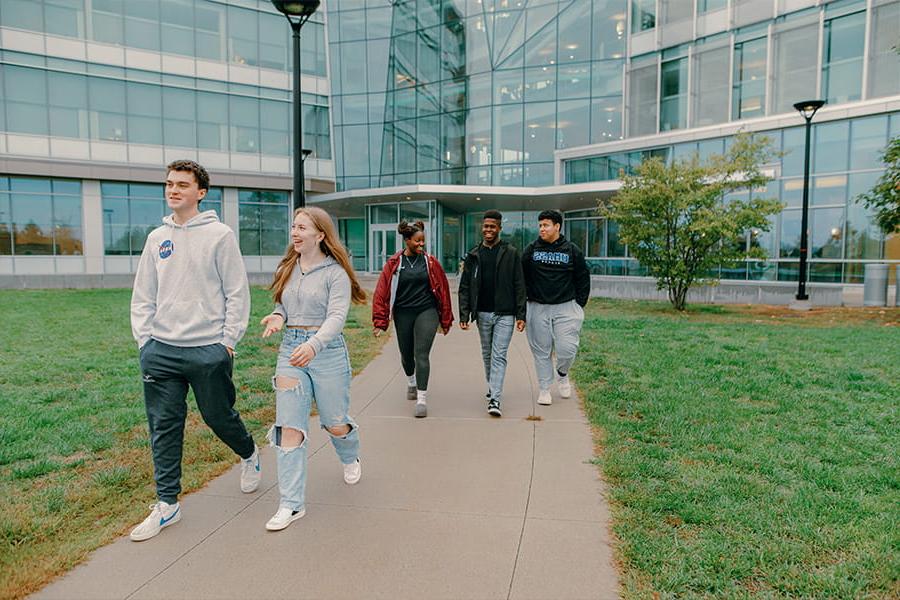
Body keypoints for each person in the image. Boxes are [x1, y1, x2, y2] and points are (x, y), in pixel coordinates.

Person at [130, 160, 259, 542]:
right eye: (169, 184)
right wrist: (145, 342)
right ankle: (167, 504)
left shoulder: (220, 235)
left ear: (200, 192)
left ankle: (250, 453)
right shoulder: (157, 238)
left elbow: (237, 292)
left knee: (218, 416)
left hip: (208, 350)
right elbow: (143, 294)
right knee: (164, 427)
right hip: (161, 351)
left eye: (182, 185)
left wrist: (228, 342)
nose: (173, 190)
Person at [259, 207, 368, 531]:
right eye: (293, 226)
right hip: (291, 350)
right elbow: (283, 304)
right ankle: (291, 505)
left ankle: (349, 455)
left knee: (334, 422)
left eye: (302, 227)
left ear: (320, 235)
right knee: (289, 427)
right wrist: (278, 317)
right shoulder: (287, 267)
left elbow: (336, 317)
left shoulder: (335, 274)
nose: (294, 232)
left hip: (327, 352)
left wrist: (314, 345)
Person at [372, 220, 453, 418]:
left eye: (423, 241)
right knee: (406, 355)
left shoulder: (431, 263)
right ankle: (411, 382)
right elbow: (381, 293)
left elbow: (443, 291)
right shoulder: (394, 264)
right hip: (403, 313)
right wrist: (380, 322)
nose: (421, 244)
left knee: (421, 354)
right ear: (407, 240)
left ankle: (422, 399)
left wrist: (445, 319)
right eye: (417, 241)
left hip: (427, 311)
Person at [458, 210, 526, 417]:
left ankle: (495, 398)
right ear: (482, 227)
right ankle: (492, 386)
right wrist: (464, 314)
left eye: (493, 227)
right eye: (486, 226)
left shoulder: (511, 253)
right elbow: (465, 286)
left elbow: (520, 284)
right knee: (487, 354)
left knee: (499, 355)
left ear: (499, 228)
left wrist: (521, 314)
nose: (488, 230)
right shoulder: (473, 255)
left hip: (505, 313)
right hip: (483, 313)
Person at [521, 209, 591, 406]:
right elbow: (521, 276)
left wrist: (580, 303)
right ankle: (544, 389)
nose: (542, 229)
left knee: (567, 348)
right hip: (537, 306)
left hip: (566, 307)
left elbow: (583, 277)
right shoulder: (531, 250)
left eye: (546, 225)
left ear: (557, 227)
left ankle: (562, 372)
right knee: (541, 351)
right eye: (540, 225)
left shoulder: (571, 250)